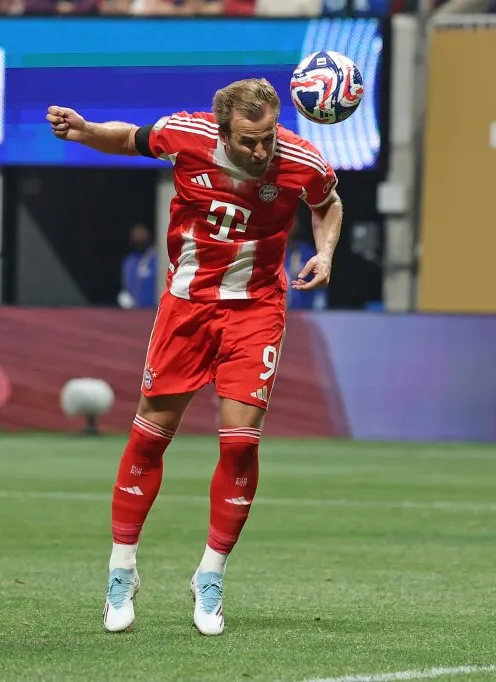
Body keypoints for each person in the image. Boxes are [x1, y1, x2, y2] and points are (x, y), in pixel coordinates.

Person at [47, 77, 343, 636]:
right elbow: (129, 139)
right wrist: (86, 133)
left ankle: (210, 575)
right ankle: (122, 568)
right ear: (222, 129)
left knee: (239, 445)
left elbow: (327, 204)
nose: (262, 151)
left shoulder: (302, 159)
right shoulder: (184, 134)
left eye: (268, 139)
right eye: (249, 141)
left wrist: (325, 253)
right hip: (187, 306)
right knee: (150, 435)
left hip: (256, 309)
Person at [118, 223, 158, 309]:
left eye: (141, 231)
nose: (138, 235)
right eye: (135, 233)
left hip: (155, 310)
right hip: (136, 312)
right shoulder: (129, 261)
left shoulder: (158, 258)